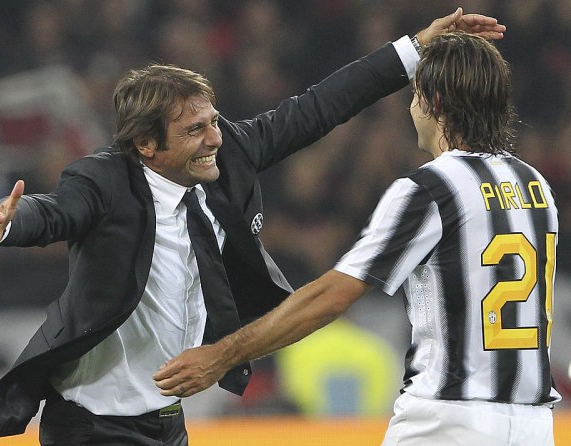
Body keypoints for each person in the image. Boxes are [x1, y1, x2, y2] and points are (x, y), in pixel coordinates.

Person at [0, 9, 505, 445]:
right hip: (90, 424)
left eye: (213, 121)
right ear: (146, 145)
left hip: (165, 421)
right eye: (194, 130)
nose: (215, 138)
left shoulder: (230, 155)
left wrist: (415, 48)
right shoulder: (103, 181)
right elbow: (56, 211)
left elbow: (320, 107)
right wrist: (6, 221)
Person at [154, 32, 559, 446]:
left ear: (434, 103)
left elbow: (333, 295)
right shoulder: (536, 186)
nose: (411, 108)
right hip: (535, 425)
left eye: (415, 96)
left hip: (449, 421)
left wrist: (222, 355)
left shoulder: (433, 188)